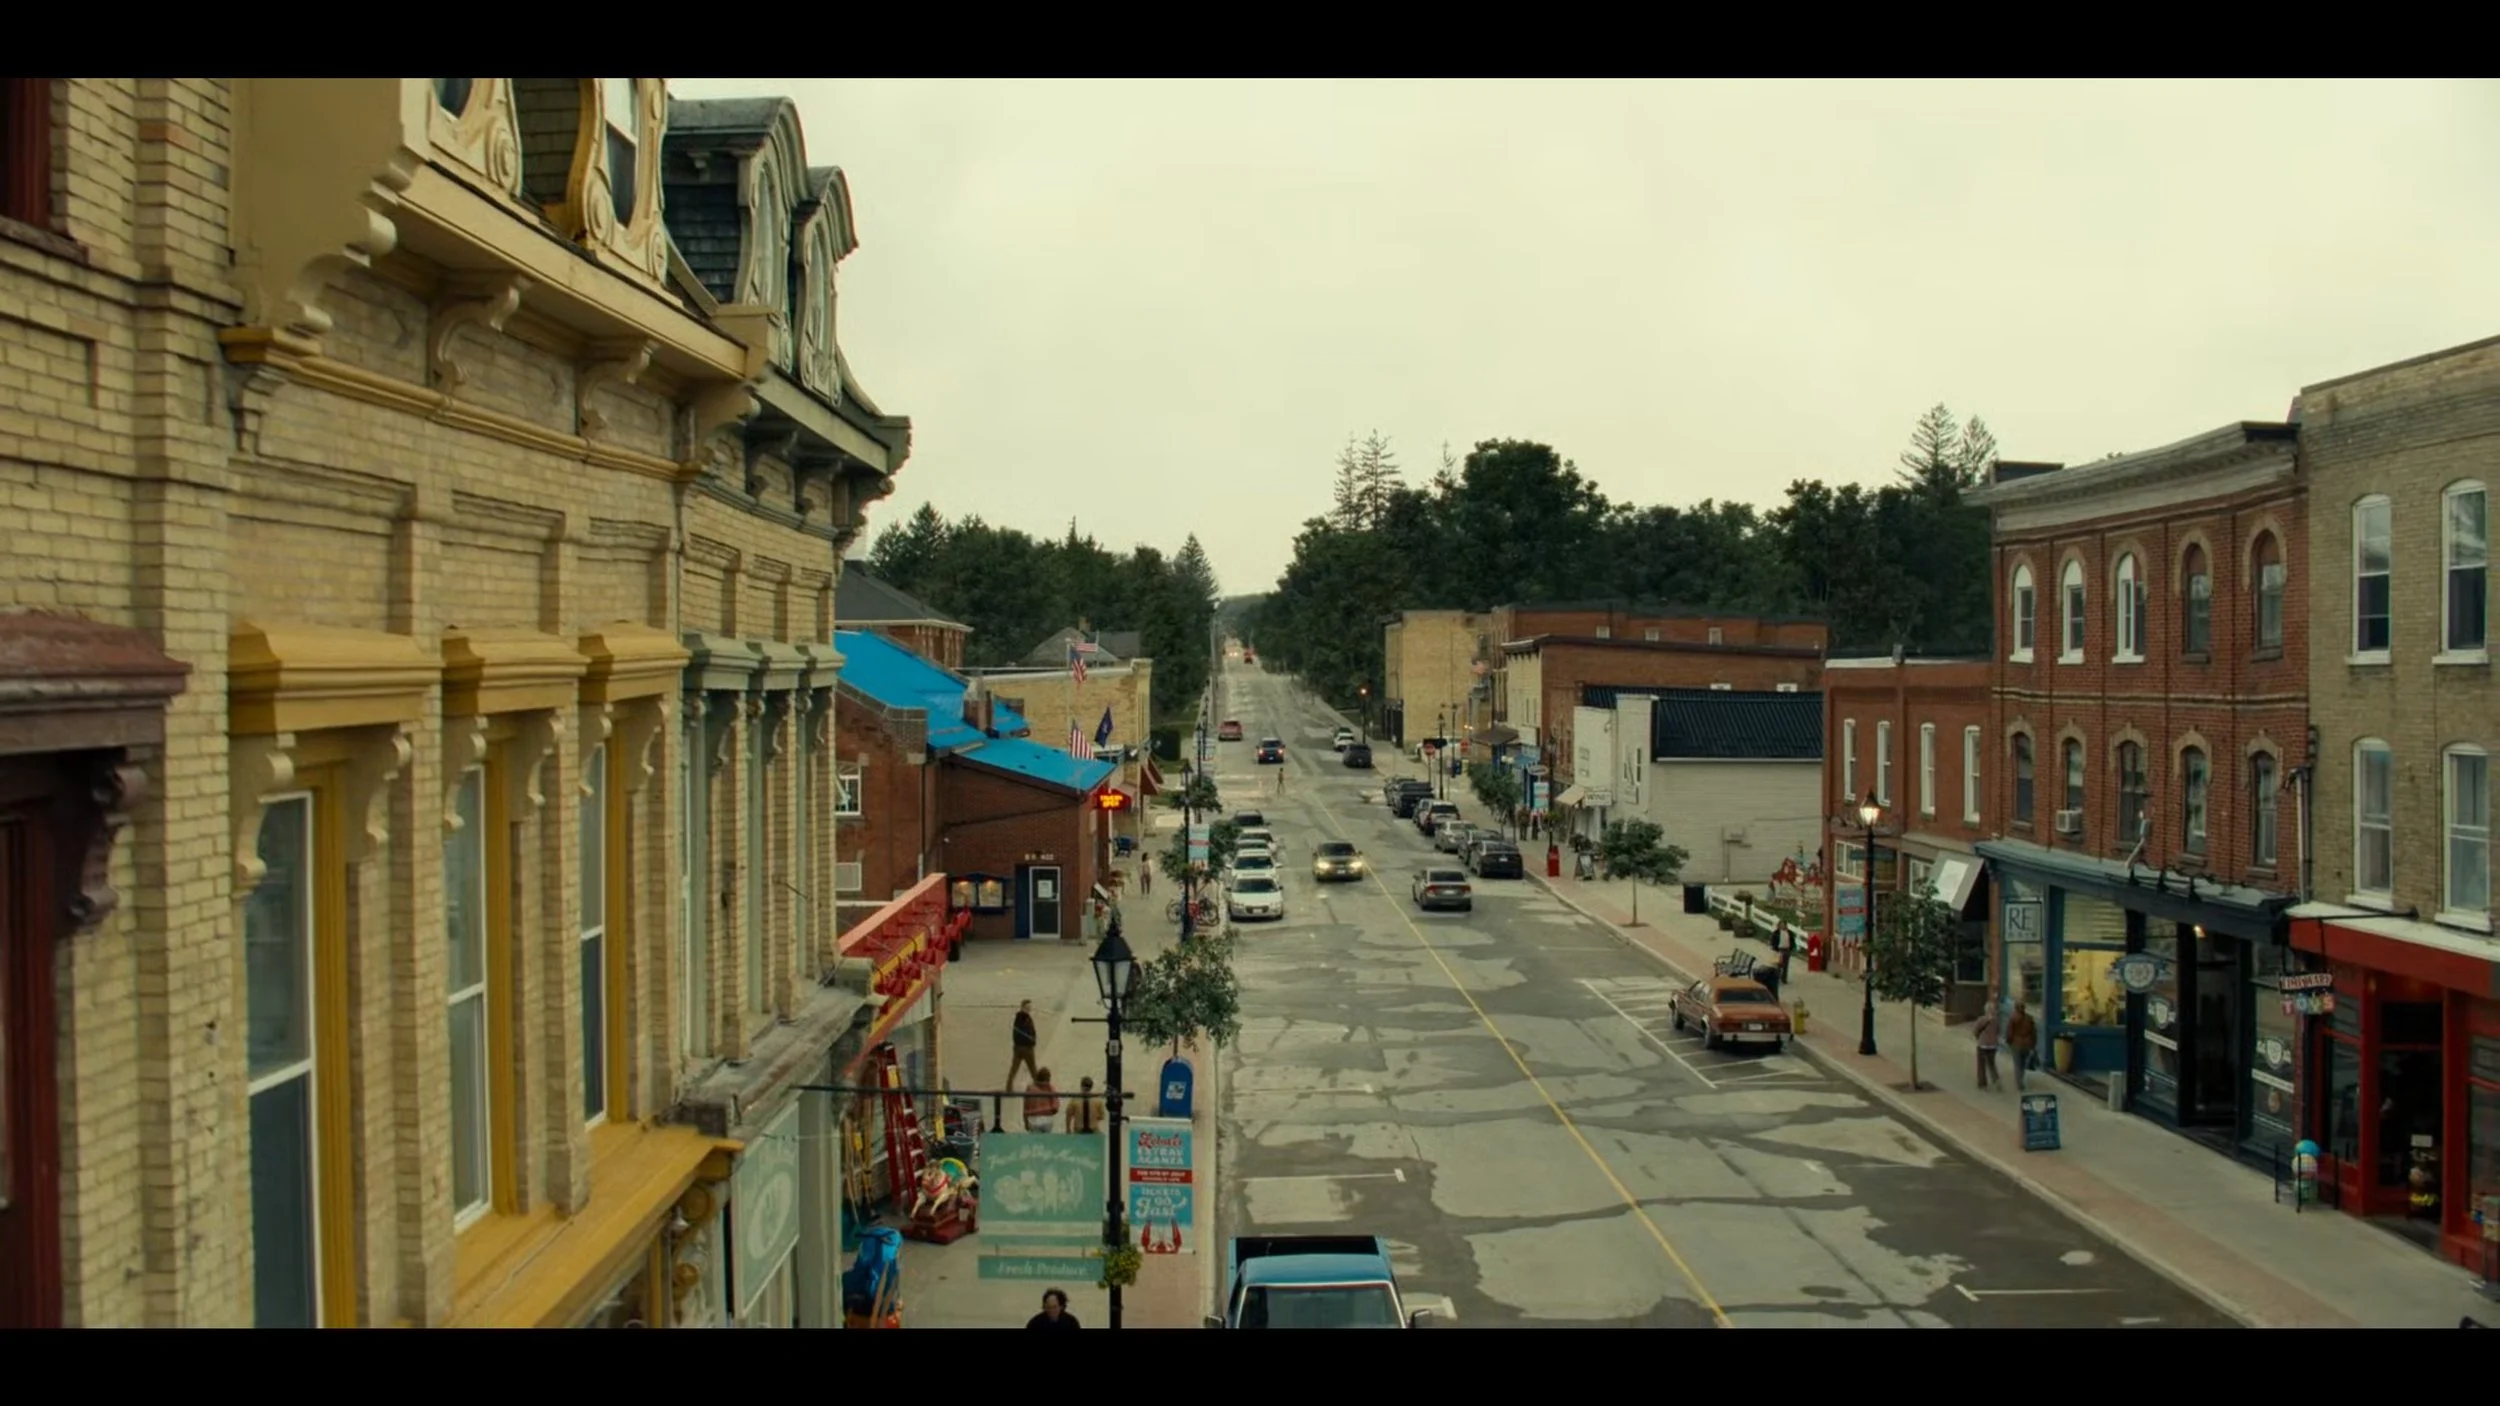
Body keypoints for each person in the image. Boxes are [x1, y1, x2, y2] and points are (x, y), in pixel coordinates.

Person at [1005, 999, 1039, 1090]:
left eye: (1030, 1007)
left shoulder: (1020, 1018)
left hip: (1018, 1048)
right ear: (1023, 1007)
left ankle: (1009, 1088)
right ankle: (1040, 1088)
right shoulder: (1023, 1018)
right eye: (1027, 1007)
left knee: (1014, 1069)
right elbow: (1023, 1034)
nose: (1029, 1009)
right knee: (1033, 1070)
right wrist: (1031, 1040)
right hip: (1026, 1048)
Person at [2006, 999, 2038, 1091]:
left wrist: (2008, 1042)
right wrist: (2033, 1045)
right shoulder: (2029, 1018)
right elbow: (2034, 1033)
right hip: (2027, 1044)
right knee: (2023, 1063)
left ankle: (2019, 1083)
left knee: (2017, 1063)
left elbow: (2009, 1033)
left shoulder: (2013, 1018)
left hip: (2016, 1043)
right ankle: (2021, 1079)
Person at [1972, 997, 2003, 1089]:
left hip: (1982, 1045)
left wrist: (1977, 1037)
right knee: (1992, 1064)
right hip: (1993, 1045)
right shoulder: (1996, 1021)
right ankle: (1996, 1080)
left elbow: (1975, 1030)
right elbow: (1998, 1031)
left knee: (1981, 1065)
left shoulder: (1982, 1019)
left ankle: (1982, 1083)